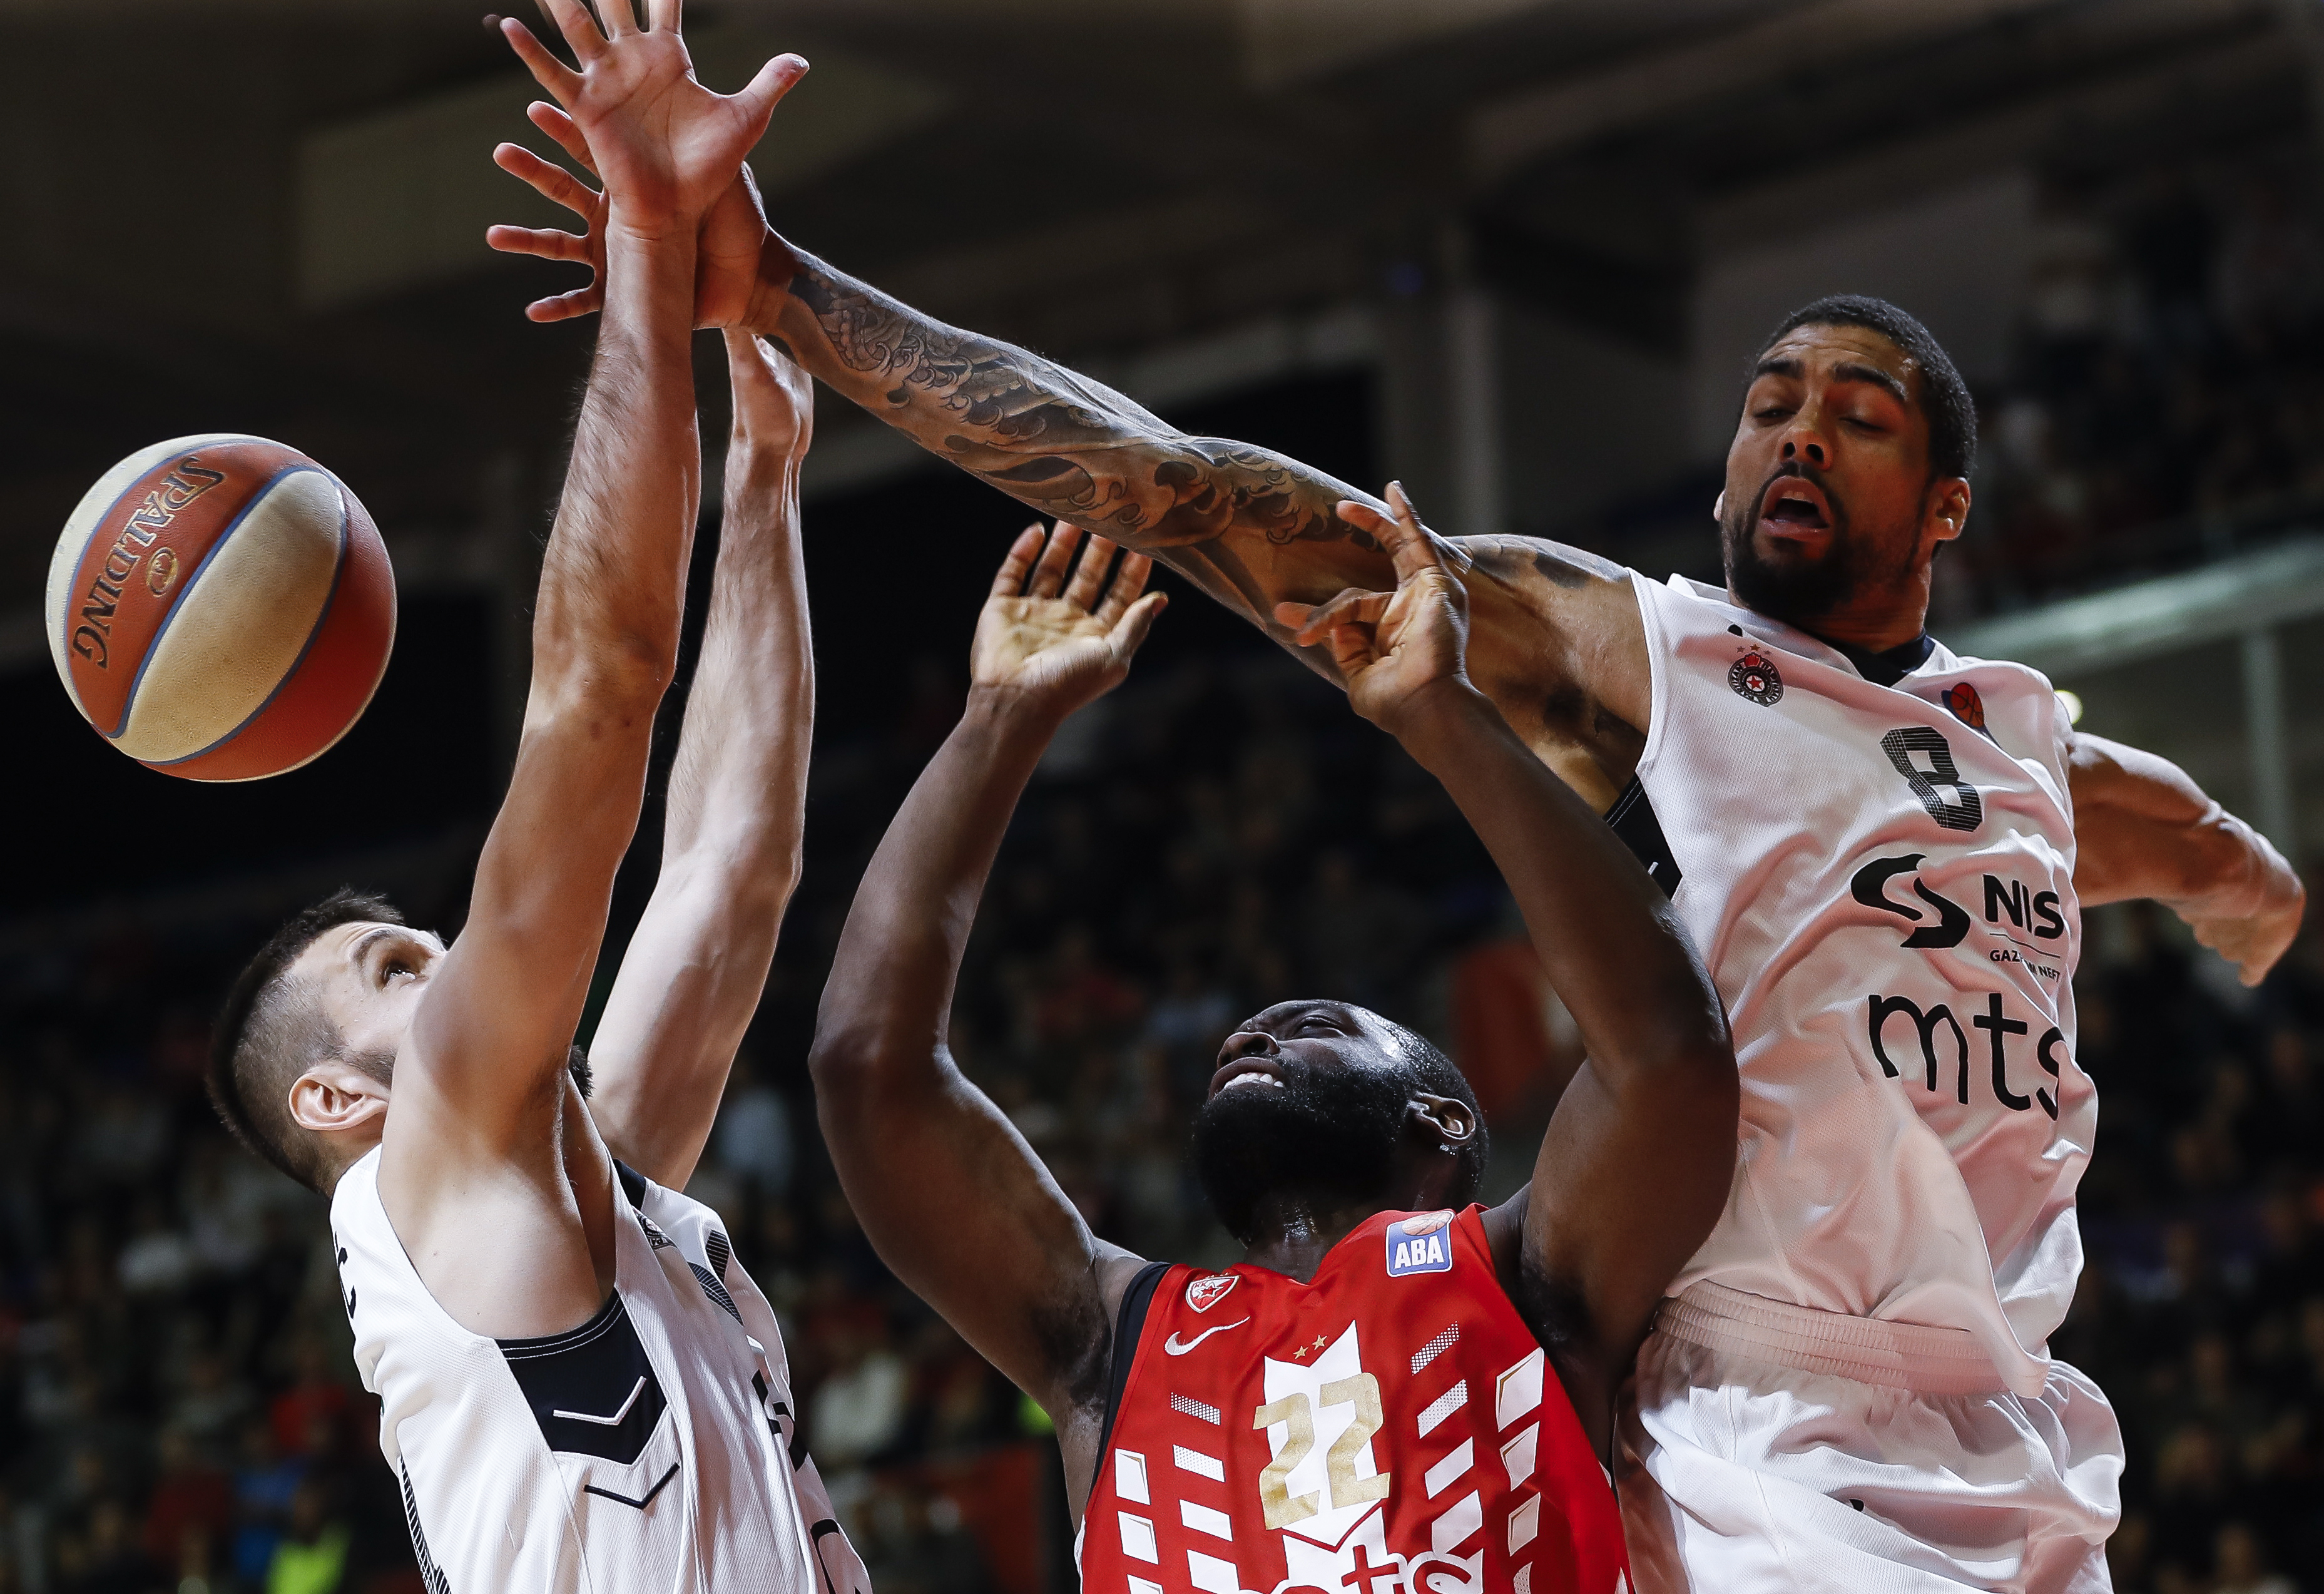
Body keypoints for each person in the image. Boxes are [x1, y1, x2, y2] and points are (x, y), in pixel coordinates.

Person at [489, 112, 2309, 1581]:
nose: (1797, 429)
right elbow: (1183, 489)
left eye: (1858, 408)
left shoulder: (2027, 747)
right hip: (1757, 1396)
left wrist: (2252, 896)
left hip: (2000, 1400)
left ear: (1949, 507)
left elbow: (2212, 850)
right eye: (1768, 401)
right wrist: (787, 291)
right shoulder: (1639, 646)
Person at [203, 9, 862, 1588]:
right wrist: (643, 234)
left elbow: (725, 871)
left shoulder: (586, 1186)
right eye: (401, 970)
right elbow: (601, 688)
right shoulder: (430, 1158)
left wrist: (768, 474)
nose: (455, 958)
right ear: (339, 1098)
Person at [808, 507, 1736, 1594]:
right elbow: (868, 1067)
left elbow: (1666, 1050)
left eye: (1320, 1028)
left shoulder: (1530, 1280)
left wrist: (1444, 718)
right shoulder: (1112, 1342)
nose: (1251, 1033)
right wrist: (998, 720)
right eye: (1254, 1031)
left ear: (1442, 1122)